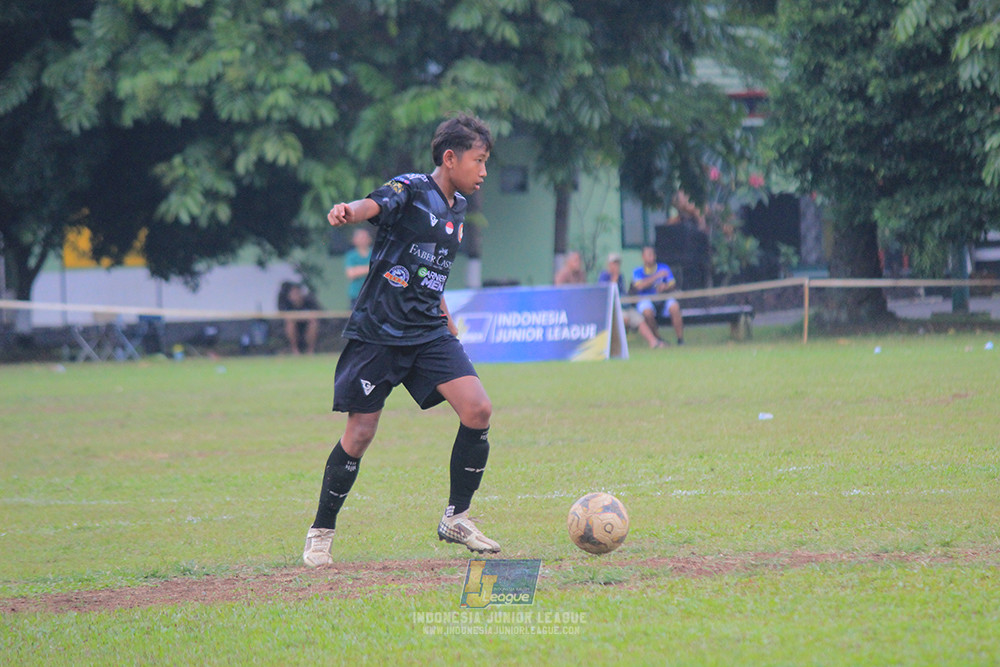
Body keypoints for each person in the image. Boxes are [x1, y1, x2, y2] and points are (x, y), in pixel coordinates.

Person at [302, 114, 500, 568]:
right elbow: (373, 204)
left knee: (478, 409)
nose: (484, 171)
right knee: (360, 433)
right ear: (450, 158)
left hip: (428, 330)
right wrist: (348, 211)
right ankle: (321, 532)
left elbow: (432, 271)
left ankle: (457, 518)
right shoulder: (411, 188)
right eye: (479, 160)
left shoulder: (458, 208)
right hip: (380, 332)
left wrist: (446, 317)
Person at [598, 252, 662, 349]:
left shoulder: (621, 276)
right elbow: (606, 294)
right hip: (612, 309)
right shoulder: (604, 276)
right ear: (609, 264)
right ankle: (617, 345)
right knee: (624, 319)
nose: (616, 266)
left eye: (618, 263)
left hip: (624, 306)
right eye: (614, 263)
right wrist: (614, 278)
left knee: (639, 319)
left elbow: (624, 293)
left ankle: (653, 342)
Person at [630, 246, 684, 346]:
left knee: (675, 307)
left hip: (663, 297)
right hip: (646, 298)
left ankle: (680, 339)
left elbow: (672, 284)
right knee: (647, 312)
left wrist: (665, 287)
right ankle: (658, 339)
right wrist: (656, 276)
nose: (652, 257)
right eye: (649, 255)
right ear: (643, 257)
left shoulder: (664, 268)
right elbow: (639, 286)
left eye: (653, 254)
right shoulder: (637, 271)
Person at [277, 281, 320, 355]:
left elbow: (316, 313)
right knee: (290, 324)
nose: (296, 295)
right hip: (293, 325)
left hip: (306, 324)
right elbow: (284, 315)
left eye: (298, 292)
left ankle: (310, 350)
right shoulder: (285, 303)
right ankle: (295, 350)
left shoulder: (309, 301)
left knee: (313, 323)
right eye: (293, 293)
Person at [344, 227, 372, 308]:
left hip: (372, 294)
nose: (363, 240)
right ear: (354, 240)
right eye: (360, 237)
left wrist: (359, 270)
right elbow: (351, 274)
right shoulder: (351, 256)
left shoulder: (375, 253)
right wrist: (370, 268)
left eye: (365, 237)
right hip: (356, 294)